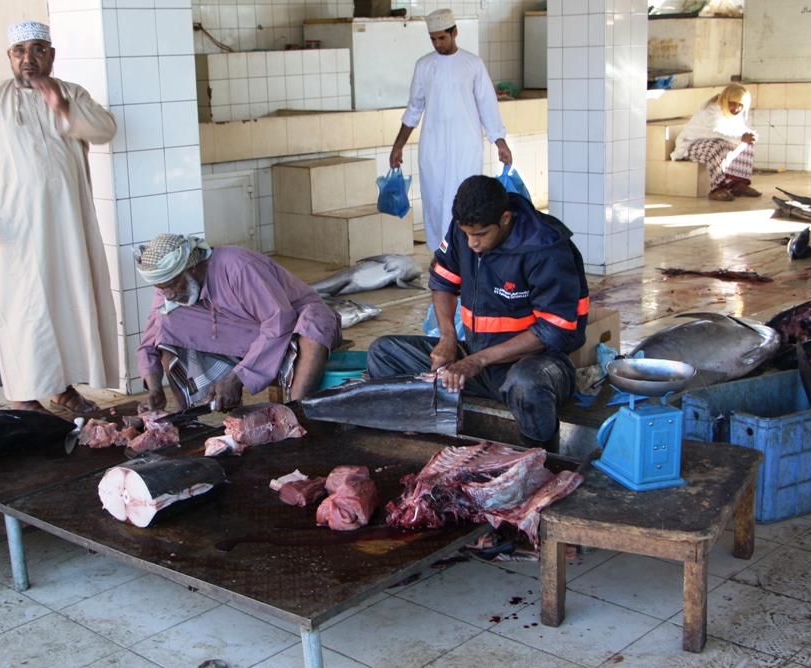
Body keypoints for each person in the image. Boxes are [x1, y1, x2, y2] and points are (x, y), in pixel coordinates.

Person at [0, 21, 119, 414]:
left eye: (38, 49)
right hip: (17, 229)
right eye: (20, 50)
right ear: (10, 56)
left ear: (51, 56)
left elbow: (105, 129)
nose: (29, 58)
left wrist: (61, 106)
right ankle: (24, 396)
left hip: (67, 226)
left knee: (68, 303)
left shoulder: (71, 93)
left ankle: (64, 389)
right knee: (25, 310)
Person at [367, 176, 589, 450]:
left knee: (526, 384)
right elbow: (442, 282)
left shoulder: (546, 248)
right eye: (466, 233)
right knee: (383, 352)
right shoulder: (465, 230)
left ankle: (539, 458)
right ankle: (421, 445)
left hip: (536, 365)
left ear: (505, 218)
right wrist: (447, 338)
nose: (472, 243)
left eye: (481, 235)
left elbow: (553, 330)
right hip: (476, 359)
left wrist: (478, 360)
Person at [135, 234, 343, 413]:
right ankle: (186, 418)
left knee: (314, 321)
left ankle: (296, 413)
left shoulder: (239, 267)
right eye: (162, 288)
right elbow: (151, 339)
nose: (169, 294)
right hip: (245, 330)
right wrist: (155, 390)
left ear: (193, 269)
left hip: (293, 322)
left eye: (172, 285)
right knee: (165, 322)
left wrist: (237, 378)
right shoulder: (171, 283)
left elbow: (279, 321)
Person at [390, 8, 512, 251]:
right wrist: (398, 145)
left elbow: (487, 105)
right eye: (433, 39)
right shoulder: (424, 65)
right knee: (434, 202)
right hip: (433, 148)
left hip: (466, 146)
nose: (438, 44)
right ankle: (440, 256)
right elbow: (414, 109)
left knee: (465, 200)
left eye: (442, 38)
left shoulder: (472, 65)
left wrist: (499, 141)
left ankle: (465, 254)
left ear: (454, 32)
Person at [670, 84, 761, 202]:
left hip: (716, 142)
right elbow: (711, 133)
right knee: (717, 145)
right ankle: (717, 188)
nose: (736, 108)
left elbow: (740, 129)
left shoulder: (737, 111)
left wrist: (749, 135)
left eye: (740, 105)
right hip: (692, 145)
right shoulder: (712, 107)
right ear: (726, 99)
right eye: (733, 103)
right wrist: (740, 137)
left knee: (747, 142)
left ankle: (737, 184)